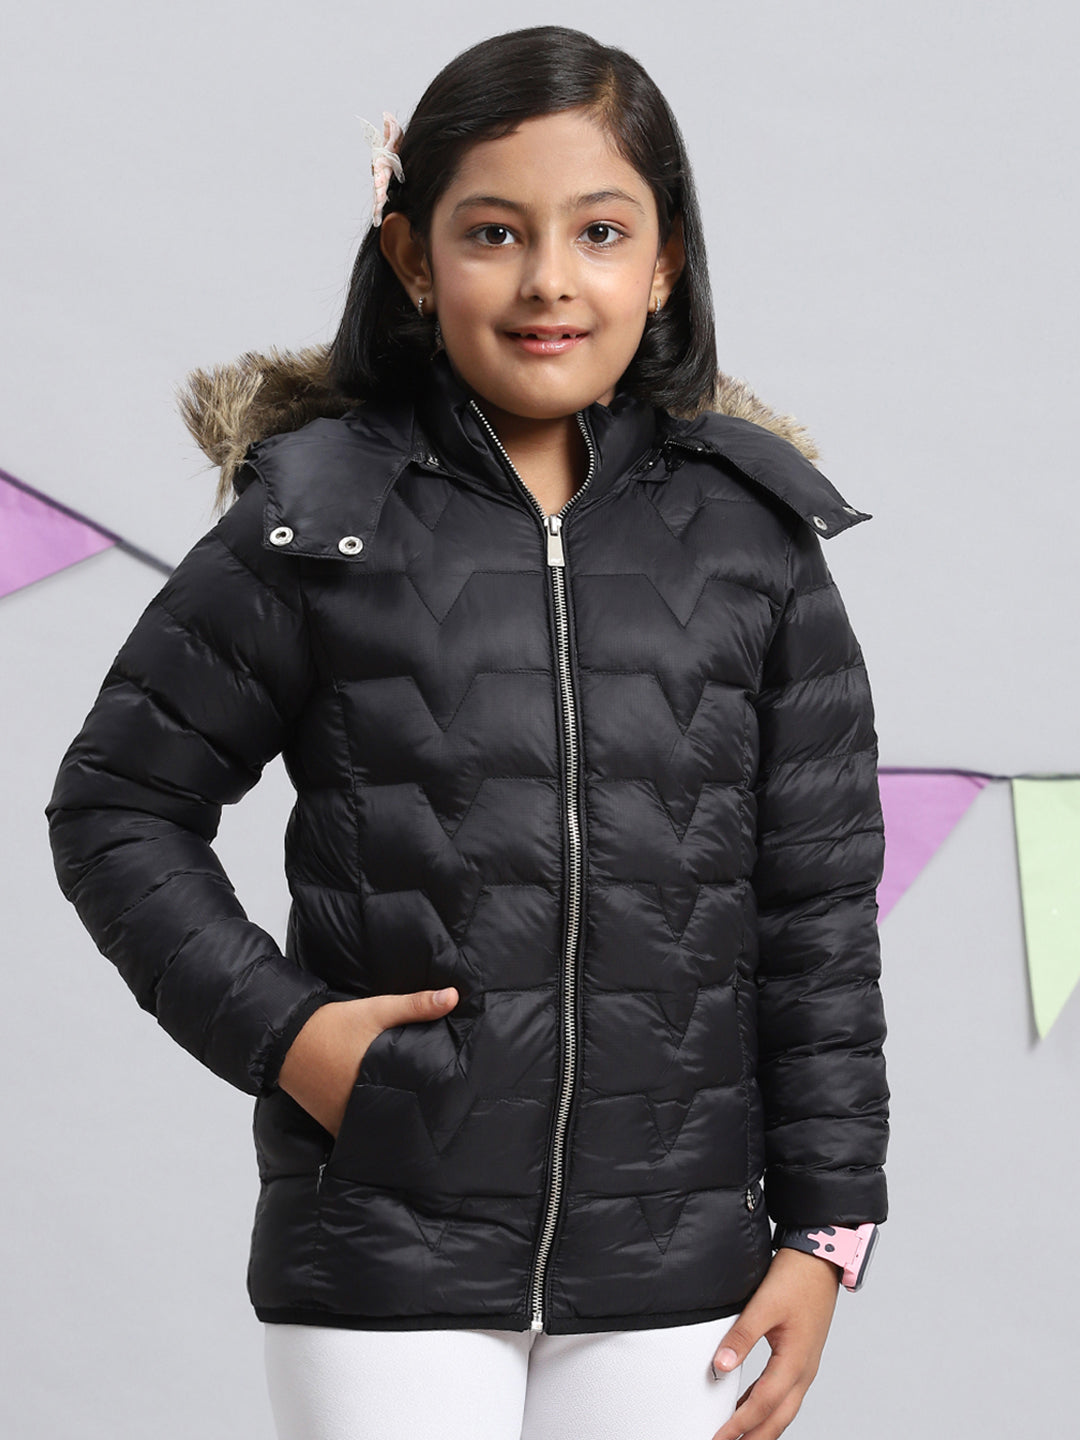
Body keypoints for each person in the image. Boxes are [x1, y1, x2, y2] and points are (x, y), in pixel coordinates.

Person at [45, 24, 889, 1440]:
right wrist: (290, 1036)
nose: (550, 278)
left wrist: (827, 1230)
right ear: (413, 257)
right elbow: (116, 807)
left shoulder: (755, 542)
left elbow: (818, 910)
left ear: (665, 262)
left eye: (600, 231)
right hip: (382, 1249)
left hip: (678, 1263)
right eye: (495, 232)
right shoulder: (318, 520)